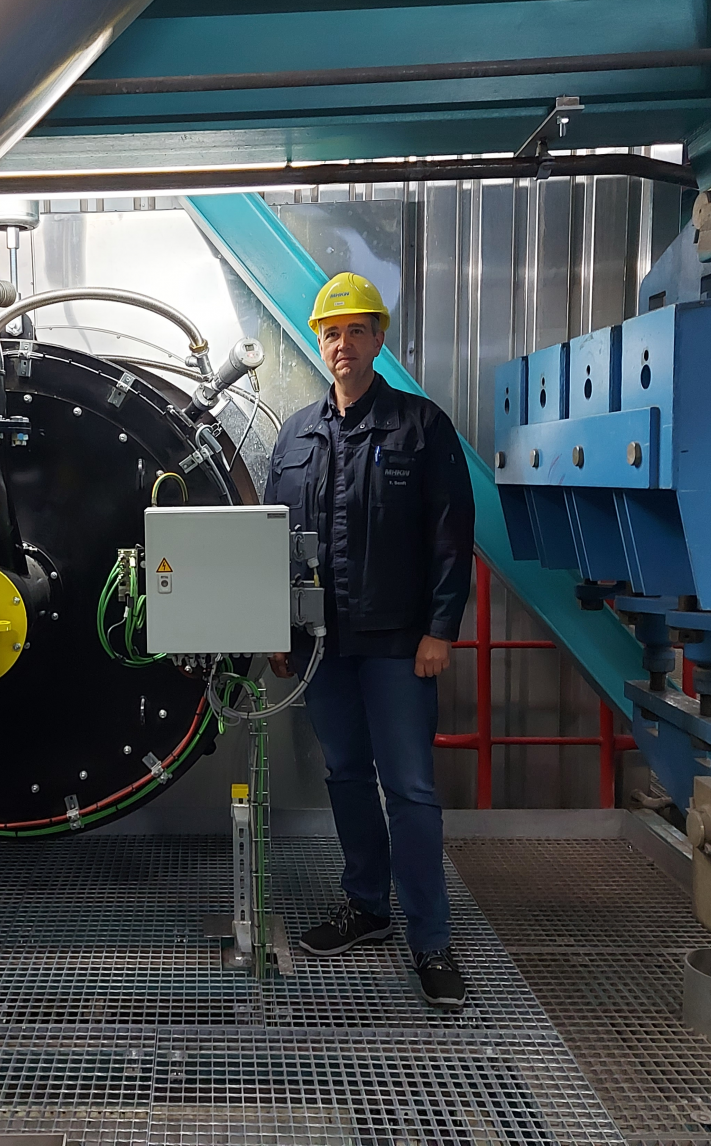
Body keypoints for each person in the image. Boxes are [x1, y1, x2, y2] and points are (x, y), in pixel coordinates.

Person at [263, 272, 475, 1009]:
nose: (342, 343)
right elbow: (274, 543)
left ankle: (432, 940)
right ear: (318, 343)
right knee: (345, 776)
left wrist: (439, 631)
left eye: (356, 330)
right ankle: (367, 907)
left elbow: (451, 539)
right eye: (331, 331)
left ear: (378, 339)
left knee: (410, 790)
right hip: (322, 646)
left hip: (397, 644)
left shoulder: (421, 426)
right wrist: (276, 631)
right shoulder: (294, 435)